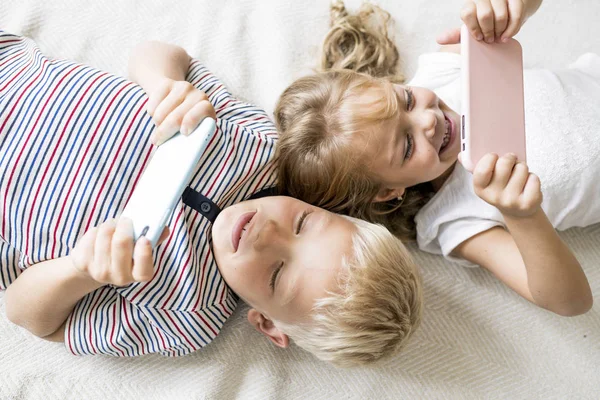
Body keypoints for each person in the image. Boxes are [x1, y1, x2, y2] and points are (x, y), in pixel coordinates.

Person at [0, 30, 422, 367]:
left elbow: (28, 316)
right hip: (13, 71)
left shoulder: (188, 316)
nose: (264, 234)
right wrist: (164, 85)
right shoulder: (262, 144)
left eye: (276, 273)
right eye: (301, 224)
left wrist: (80, 271)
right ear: (323, 208)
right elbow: (161, 53)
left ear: (268, 323)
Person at [275, 0, 596, 316]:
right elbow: (571, 302)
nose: (428, 120)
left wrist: (514, 11)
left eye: (407, 99)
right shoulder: (452, 222)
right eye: (406, 146)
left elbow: (507, 17)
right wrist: (522, 217)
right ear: (388, 192)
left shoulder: (440, 72)